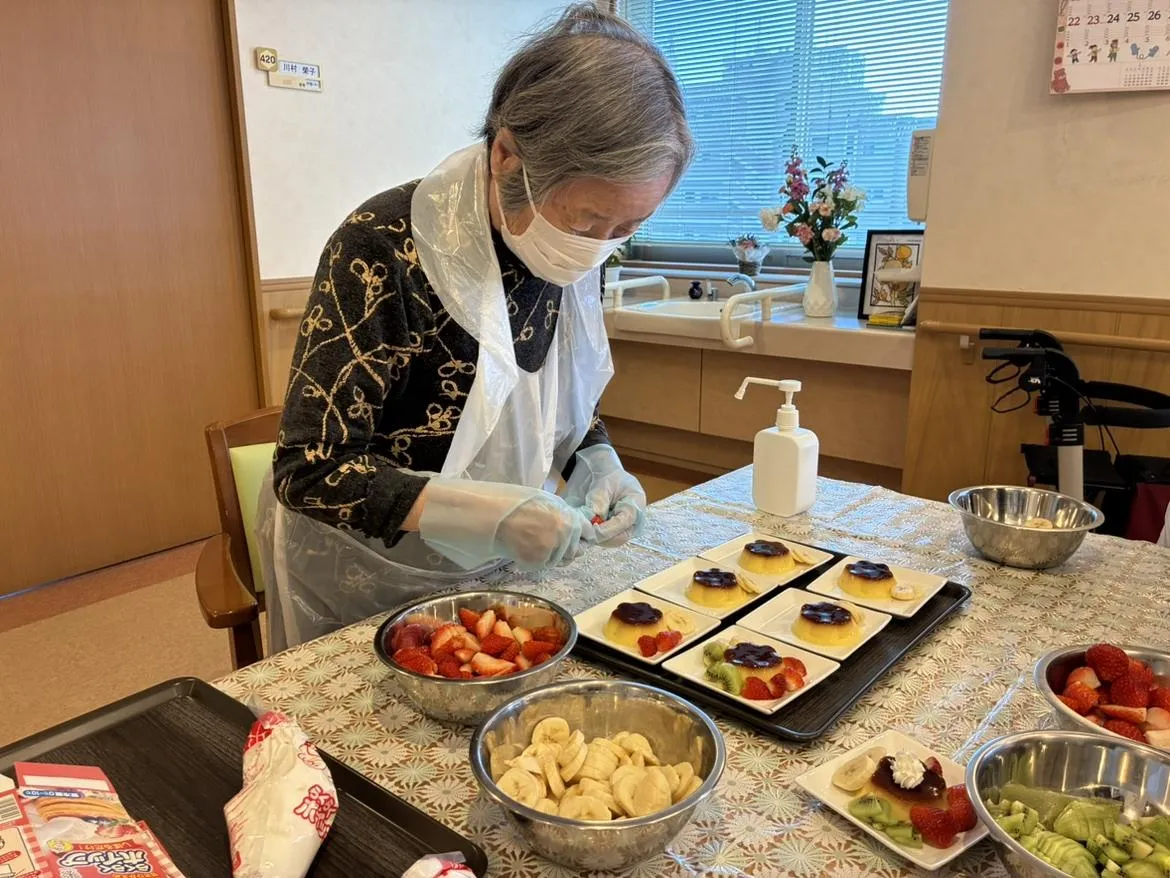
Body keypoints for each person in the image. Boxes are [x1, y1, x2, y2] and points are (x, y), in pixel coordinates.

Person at [256, 3, 694, 650]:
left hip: (502, 571)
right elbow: (310, 469)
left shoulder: (573, 254)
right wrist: (478, 511)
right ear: (507, 156)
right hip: (364, 576)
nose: (596, 247)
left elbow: (553, 399)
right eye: (584, 221)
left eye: (626, 228)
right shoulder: (382, 248)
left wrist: (597, 461)